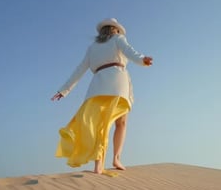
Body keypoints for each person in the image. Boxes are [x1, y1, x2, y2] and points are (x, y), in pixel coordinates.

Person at [51, 18, 153, 174]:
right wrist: (142, 59)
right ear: (115, 30)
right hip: (117, 83)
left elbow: (80, 70)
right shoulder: (118, 39)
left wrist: (64, 90)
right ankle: (116, 158)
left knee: (101, 125)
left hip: (97, 86)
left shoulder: (92, 47)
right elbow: (129, 51)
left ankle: (99, 164)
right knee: (121, 123)